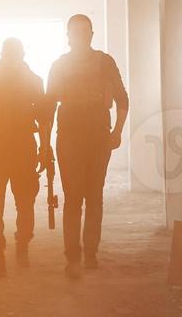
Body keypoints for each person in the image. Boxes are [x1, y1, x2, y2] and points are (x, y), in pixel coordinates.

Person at [45, 14, 129, 278]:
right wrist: (45, 145)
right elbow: (48, 108)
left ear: (92, 35)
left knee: (93, 196)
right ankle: (73, 256)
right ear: (68, 36)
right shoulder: (59, 65)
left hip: (97, 137)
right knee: (73, 198)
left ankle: (89, 254)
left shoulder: (104, 63)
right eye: (75, 31)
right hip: (69, 138)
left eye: (85, 31)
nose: (80, 36)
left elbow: (122, 99)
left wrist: (117, 132)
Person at [0, 38, 52, 277]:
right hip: (13, 146)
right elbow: (44, 120)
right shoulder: (25, 80)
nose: (12, 59)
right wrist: (44, 149)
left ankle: (2, 253)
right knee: (13, 202)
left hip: (4, 147)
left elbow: (43, 120)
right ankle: (11, 251)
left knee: (4, 203)